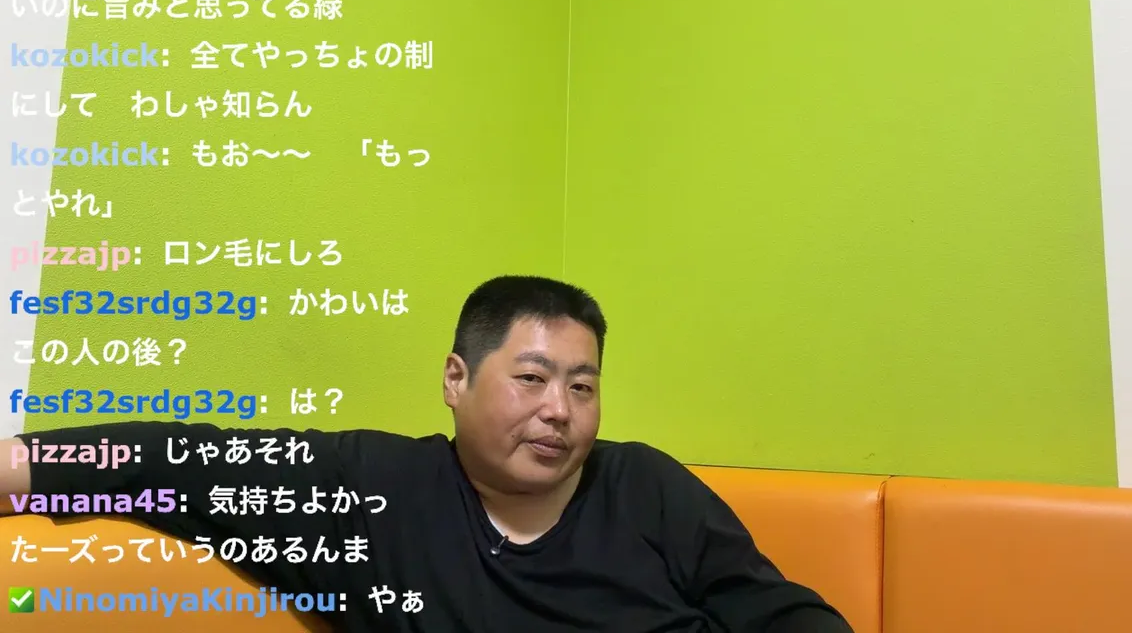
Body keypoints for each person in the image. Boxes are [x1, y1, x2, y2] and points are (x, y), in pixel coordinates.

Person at [1, 275, 853, 632]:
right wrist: (19, 468)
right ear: (456, 378)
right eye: (532, 379)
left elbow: (785, 616)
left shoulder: (646, 486)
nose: (560, 411)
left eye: (583, 386)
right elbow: (189, 464)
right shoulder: (378, 491)